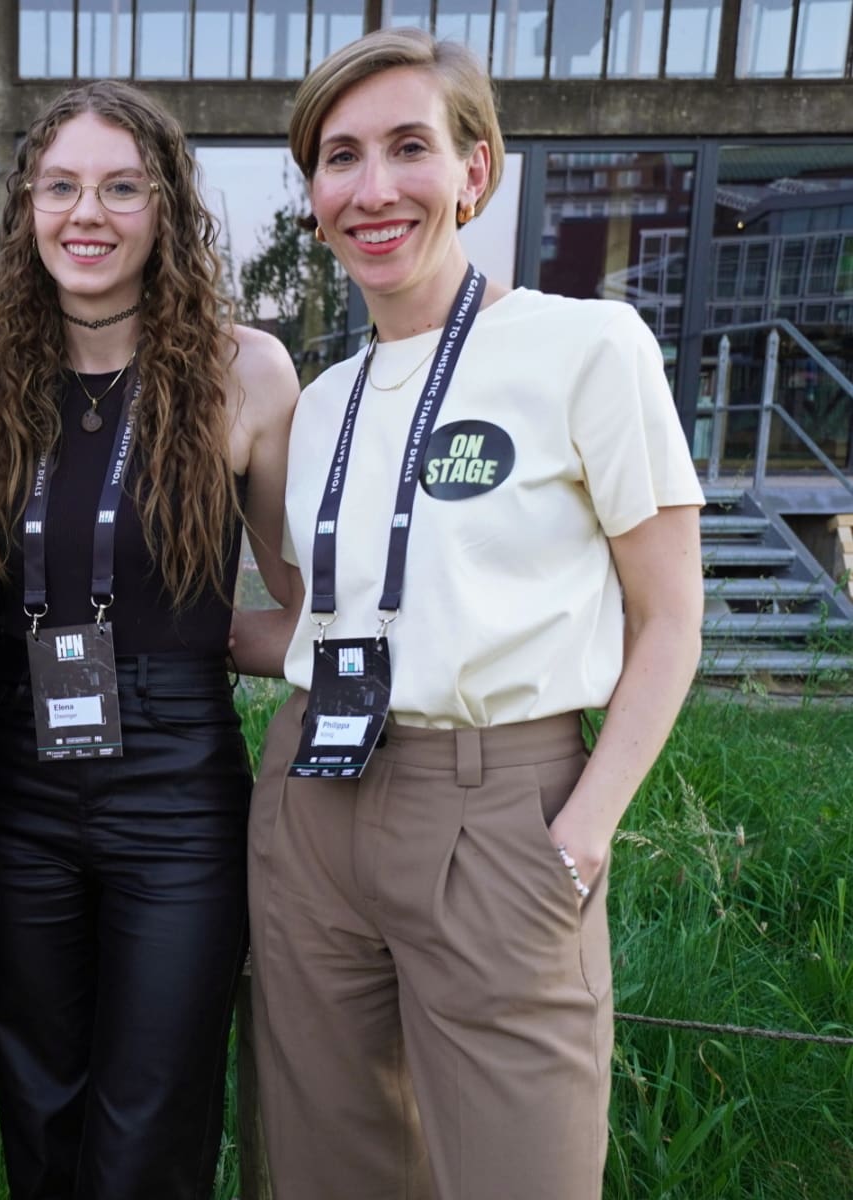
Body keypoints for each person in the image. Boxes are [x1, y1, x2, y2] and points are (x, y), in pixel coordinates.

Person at [243, 28, 705, 1200]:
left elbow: (669, 623)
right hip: (314, 801)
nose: (375, 187)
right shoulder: (324, 399)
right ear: (314, 196)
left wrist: (580, 836)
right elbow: (333, 629)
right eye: (340, 159)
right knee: (324, 1171)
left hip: (502, 813)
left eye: (410, 148)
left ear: (476, 171)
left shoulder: (586, 347)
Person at [0, 80, 302, 1199]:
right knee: (39, 1096)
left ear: (167, 210)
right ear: (28, 208)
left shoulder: (243, 370)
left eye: (122, 186)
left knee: (153, 1109)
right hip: (20, 785)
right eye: (60, 186)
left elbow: (307, 610)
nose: (87, 213)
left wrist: (190, 643)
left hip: (176, 784)